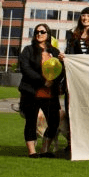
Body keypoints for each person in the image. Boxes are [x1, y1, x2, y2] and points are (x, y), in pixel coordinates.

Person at [18, 23, 63, 158]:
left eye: (42, 32)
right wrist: (43, 81)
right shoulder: (28, 50)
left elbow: (60, 70)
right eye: (37, 32)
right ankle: (32, 151)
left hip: (50, 93)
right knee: (31, 121)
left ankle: (45, 149)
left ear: (48, 34)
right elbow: (25, 69)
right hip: (32, 92)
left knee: (54, 122)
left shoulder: (54, 52)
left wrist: (54, 80)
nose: (39, 34)